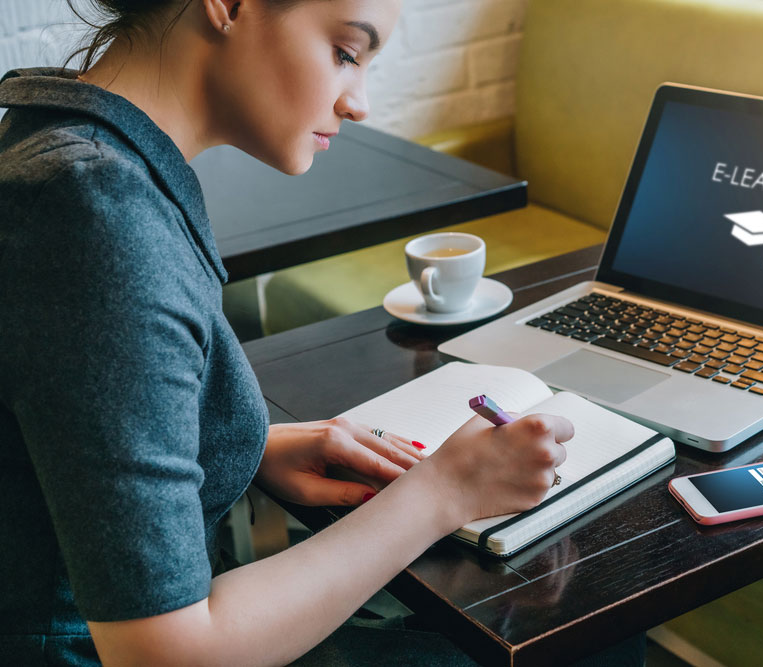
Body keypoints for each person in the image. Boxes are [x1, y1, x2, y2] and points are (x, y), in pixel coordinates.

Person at [0, 0, 600, 664]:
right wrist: (443, 492)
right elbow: (163, 653)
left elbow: (56, 428)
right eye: (346, 53)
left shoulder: (64, 145)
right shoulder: (95, 214)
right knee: (580, 636)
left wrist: (239, 441)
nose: (360, 103)